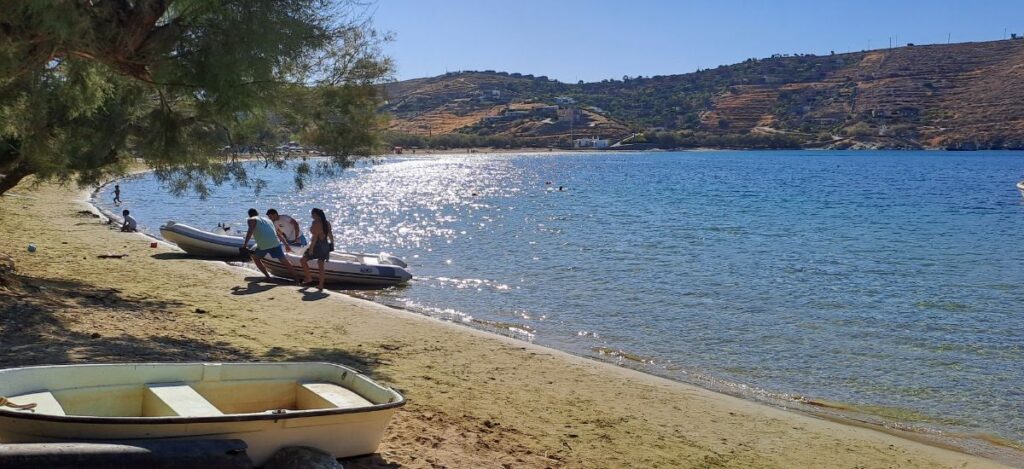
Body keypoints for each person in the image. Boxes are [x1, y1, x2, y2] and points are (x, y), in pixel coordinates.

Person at [241, 208, 299, 281]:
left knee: (256, 258)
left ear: (249, 215)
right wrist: (286, 245)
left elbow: (250, 231)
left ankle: (268, 277)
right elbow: (277, 233)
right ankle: (296, 278)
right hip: (276, 242)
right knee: (284, 261)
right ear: (258, 213)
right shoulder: (268, 220)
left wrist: (244, 245)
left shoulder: (251, 219)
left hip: (264, 244)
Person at [300, 207, 335, 291]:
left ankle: (308, 277)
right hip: (325, 245)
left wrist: (311, 249)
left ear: (315, 215)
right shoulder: (327, 223)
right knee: (321, 265)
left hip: (317, 245)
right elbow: (330, 234)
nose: (311, 216)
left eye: (312, 214)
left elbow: (315, 237)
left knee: (303, 260)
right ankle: (321, 285)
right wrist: (332, 244)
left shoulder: (316, 223)